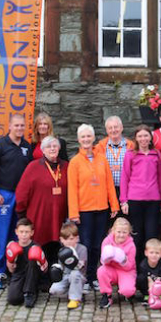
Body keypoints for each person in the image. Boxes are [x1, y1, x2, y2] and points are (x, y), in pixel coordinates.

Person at [67, 124, 120, 291]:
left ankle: (93, 277)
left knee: (98, 245)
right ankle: (83, 278)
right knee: (86, 245)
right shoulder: (75, 162)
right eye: (83, 137)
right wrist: (74, 213)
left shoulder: (102, 158)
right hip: (84, 210)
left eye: (88, 136)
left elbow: (109, 184)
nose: (86, 139)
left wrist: (114, 204)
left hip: (102, 209)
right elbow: (72, 189)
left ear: (93, 138)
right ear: (78, 140)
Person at [0, 114, 33, 290]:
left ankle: (15, 269)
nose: (20, 128)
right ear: (10, 126)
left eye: (22, 126)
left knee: (18, 234)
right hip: (3, 195)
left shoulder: (27, 147)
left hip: (21, 196)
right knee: (1, 235)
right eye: (17, 125)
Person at [119, 124, 161, 264]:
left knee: (151, 235)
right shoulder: (130, 154)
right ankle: (136, 267)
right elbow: (125, 177)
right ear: (136, 138)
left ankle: (151, 267)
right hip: (135, 199)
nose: (143, 138)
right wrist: (123, 200)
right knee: (136, 235)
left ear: (150, 137)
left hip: (153, 200)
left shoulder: (156, 154)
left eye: (146, 135)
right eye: (140, 136)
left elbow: (160, 177)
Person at [15, 136, 69, 246]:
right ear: (43, 150)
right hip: (39, 217)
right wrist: (21, 213)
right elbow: (22, 192)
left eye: (55, 146)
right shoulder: (33, 167)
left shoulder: (66, 167)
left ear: (59, 149)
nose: (52, 149)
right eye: (48, 147)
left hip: (60, 217)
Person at [5, 218, 49, 308]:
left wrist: (43, 265)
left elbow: (45, 268)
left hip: (32, 274)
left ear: (31, 233)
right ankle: (26, 289)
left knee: (33, 258)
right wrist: (11, 263)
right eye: (21, 232)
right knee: (13, 299)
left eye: (26, 232)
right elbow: (11, 270)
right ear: (16, 232)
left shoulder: (36, 246)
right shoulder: (12, 246)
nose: (24, 235)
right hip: (19, 274)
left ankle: (30, 293)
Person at [97, 217, 136, 308]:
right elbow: (103, 262)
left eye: (124, 232)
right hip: (112, 269)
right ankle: (106, 295)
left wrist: (123, 260)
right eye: (119, 232)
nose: (121, 235)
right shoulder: (107, 241)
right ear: (113, 230)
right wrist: (106, 259)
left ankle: (128, 292)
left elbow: (129, 266)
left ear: (129, 232)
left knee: (128, 291)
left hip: (125, 271)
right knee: (101, 270)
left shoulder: (131, 245)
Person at [49, 222, 88, 309]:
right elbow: (62, 268)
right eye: (66, 239)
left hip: (79, 276)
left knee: (74, 274)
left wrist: (73, 258)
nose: (69, 242)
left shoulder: (82, 249)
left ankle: (75, 299)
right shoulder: (62, 251)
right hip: (66, 276)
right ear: (61, 240)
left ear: (77, 238)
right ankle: (74, 292)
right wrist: (56, 269)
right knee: (53, 290)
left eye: (71, 239)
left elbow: (81, 266)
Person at [94, 115, 134, 199]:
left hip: (128, 189)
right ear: (106, 130)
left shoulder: (132, 146)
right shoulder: (99, 148)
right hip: (107, 190)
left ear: (122, 128)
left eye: (116, 127)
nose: (113, 130)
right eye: (110, 128)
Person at [136, 238, 161, 305]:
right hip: (148, 285)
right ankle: (146, 295)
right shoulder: (143, 265)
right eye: (151, 252)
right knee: (140, 278)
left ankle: (160, 295)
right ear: (146, 253)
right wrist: (151, 293)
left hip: (158, 284)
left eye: (157, 253)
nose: (154, 255)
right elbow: (150, 281)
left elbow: (158, 280)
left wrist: (157, 293)